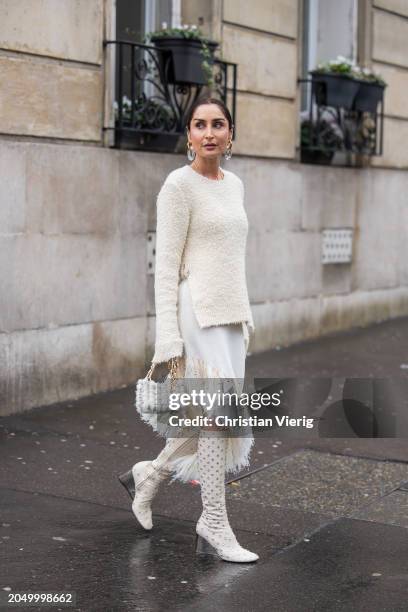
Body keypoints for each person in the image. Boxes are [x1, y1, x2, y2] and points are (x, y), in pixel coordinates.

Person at [118, 97, 258, 563]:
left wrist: (244, 313)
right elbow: (165, 269)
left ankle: (150, 474)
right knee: (215, 416)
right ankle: (213, 521)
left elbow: (230, 256)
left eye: (218, 124)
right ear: (189, 136)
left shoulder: (234, 185)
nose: (209, 132)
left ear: (230, 134)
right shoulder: (177, 186)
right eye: (200, 125)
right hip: (195, 314)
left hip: (231, 316)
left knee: (211, 418)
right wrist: (168, 337)